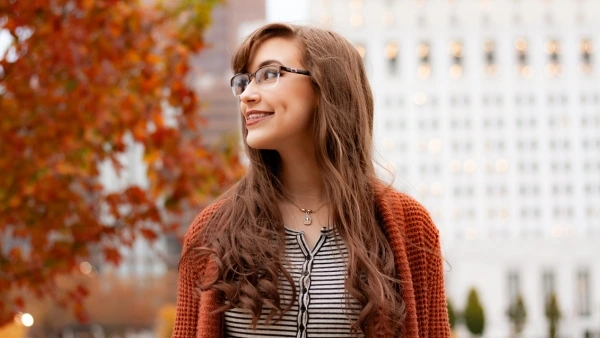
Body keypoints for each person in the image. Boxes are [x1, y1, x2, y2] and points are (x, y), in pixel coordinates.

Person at [172, 22, 451, 338]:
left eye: (269, 75)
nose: (247, 95)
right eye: (244, 81)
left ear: (325, 87)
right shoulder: (211, 230)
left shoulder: (409, 226)